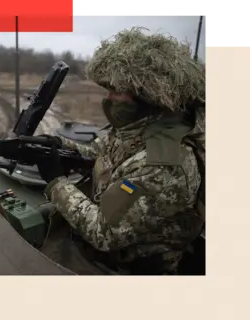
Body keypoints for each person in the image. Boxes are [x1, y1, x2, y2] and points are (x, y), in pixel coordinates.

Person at [36, 28, 206, 275]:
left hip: (130, 269)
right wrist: (60, 146)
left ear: (146, 96)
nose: (108, 98)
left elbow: (104, 233)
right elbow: (101, 151)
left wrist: (56, 183)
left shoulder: (164, 165)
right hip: (110, 252)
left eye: (116, 91)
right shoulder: (140, 127)